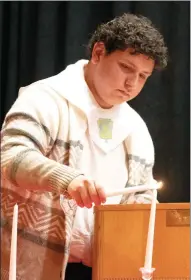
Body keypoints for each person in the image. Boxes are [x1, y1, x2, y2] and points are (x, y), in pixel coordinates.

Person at [1, 13, 168, 280]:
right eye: (126, 68)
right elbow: (11, 158)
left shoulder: (136, 128)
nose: (132, 84)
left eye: (143, 76)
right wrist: (68, 179)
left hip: (107, 268)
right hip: (37, 264)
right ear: (99, 52)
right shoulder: (45, 99)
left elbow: (142, 203)